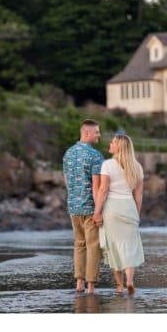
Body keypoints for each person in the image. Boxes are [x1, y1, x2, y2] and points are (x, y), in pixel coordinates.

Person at [94, 131, 146, 295]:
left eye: (113, 143)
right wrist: (137, 214)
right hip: (129, 208)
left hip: (112, 209)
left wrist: (97, 212)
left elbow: (103, 190)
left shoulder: (107, 164)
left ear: (119, 147)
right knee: (129, 247)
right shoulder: (137, 167)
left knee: (114, 247)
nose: (110, 144)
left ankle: (119, 286)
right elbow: (138, 195)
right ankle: (130, 281)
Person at [62, 118, 105, 295]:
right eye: (97, 132)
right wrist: (98, 212)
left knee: (79, 245)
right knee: (93, 246)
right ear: (87, 133)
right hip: (89, 208)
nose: (99, 135)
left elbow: (67, 182)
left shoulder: (68, 153)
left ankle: (79, 284)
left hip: (73, 207)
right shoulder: (95, 156)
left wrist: (74, 198)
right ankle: (91, 287)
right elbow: (96, 187)